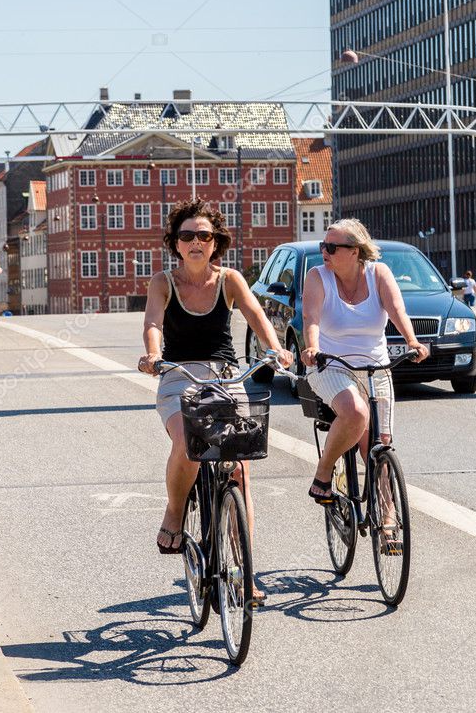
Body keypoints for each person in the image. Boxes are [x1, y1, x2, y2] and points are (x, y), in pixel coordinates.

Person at [138, 198, 291, 605]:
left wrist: (275, 349)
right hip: (179, 377)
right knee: (187, 444)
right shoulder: (163, 282)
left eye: (203, 236)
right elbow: (153, 323)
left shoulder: (230, 280)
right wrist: (152, 355)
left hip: (226, 377)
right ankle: (175, 511)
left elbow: (257, 316)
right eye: (187, 235)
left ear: (215, 242)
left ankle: (244, 570)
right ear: (175, 243)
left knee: (239, 470)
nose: (195, 242)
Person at [300, 218, 429, 513]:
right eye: (323, 246)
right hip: (331, 365)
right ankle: (323, 472)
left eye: (332, 247)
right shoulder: (318, 276)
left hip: (375, 367)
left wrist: (412, 341)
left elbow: (397, 310)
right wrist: (312, 348)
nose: (325, 252)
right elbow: (311, 317)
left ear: (355, 251)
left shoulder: (378, 274)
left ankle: (387, 515)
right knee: (356, 412)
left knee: (379, 444)